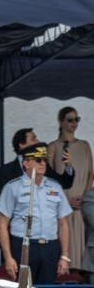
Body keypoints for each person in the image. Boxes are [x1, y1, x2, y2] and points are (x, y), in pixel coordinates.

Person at [0, 143, 72, 288]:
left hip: (50, 248)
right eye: (38, 160)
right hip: (22, 246)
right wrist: (8, 257)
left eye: (44, 160)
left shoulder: (54, 187)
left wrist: (65, 256)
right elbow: (2, 223)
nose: (42, 164)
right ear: (26, 163)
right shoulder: (12, 187)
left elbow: (63, 223)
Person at [47, 106, 92, 270]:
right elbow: (49, 176)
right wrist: (62, 199)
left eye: (77, 119)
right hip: (62, 199)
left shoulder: (85, 146)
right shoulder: (53, 146)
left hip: (81, 200)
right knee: (64, 237)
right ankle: (63, 279)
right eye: (70, 120)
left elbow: (90, 174)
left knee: (80, 240)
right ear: (61, 121)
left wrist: (85, 198)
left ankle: (77, 278)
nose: (74, 123)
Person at [0, 127, 74, 202]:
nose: (38, 142)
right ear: (21, 144)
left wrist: (68, 165)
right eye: (33, 139)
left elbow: (64, 183)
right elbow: (0, 203)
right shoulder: (3, 172)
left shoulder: (43, 166)